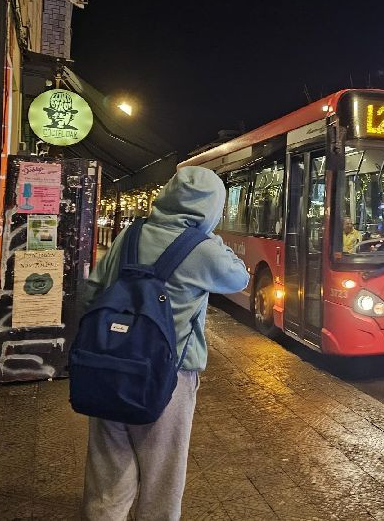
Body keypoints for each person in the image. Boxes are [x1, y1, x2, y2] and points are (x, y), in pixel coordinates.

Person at [79, 167, 249, 521]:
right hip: (168, 376)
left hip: (108, 366)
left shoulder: (130, 234)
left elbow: (91, 293)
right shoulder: (203, 249)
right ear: (212, 207)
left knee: (107, 473)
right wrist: (210, 235)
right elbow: (239, 279)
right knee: (161, 476)